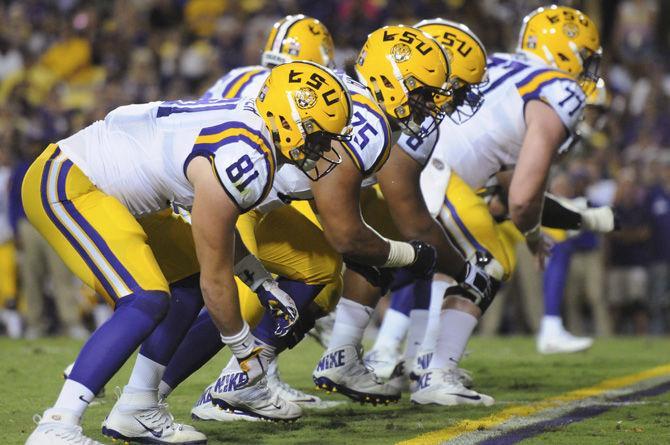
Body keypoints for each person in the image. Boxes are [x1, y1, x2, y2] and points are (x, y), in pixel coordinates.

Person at [157, 17, 495, 421]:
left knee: (319, 273)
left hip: (253, 195)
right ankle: (152, 396)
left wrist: (384, 252)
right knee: (239, 302)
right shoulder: (368, 122)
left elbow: (327, 202)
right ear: (391, 81)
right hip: (219, 189)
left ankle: (241, 382)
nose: (433, 105)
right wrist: (410, 256)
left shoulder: (362, 105)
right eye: (424, 92)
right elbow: (347, 235)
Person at [24, 60, 353, 445]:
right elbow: (218, 273)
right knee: (144, 299)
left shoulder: (252, 132)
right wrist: (244, 348)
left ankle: (138, 408)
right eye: (318, 135)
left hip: (119, 194)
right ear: (289, 121)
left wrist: (260, 282)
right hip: (72, 180)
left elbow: (217, 238)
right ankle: (57, 425)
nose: (325, 147)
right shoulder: (245, 154)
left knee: (188, 282)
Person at [366, 6, 614, 406]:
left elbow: (503, 172)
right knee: (488, 260)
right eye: (584, 56)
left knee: (442, 266)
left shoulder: (498, 63)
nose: (586, 68)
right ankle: (435, 373)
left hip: (410, 162)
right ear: (565, 51)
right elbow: (521, 197)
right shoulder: (560, 90)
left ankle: (416, 360)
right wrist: (532, 233)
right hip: (438, 171)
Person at [312, 18, 499, 406]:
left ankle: (346, 354)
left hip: (299, 199)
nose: (446, 100)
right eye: (446, 89)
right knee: (311, 279)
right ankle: (241, 378)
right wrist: (464, 270)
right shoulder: (387, 115)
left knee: (381, 239)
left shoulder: (376, 100)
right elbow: (411, 217)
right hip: (266, 203)